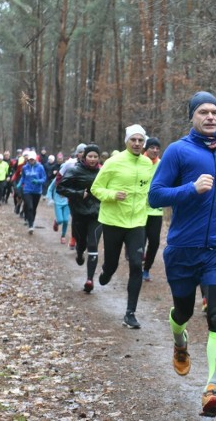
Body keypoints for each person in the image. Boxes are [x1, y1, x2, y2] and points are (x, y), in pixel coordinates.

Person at [148, 91, 216, 417]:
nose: (210, 117)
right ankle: (180, 340)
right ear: (192, 116)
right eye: (203, 112)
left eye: (215, 112)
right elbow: (155, 196)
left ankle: (211, 388)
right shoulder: (178, 151)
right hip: (182, 249)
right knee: (183, 312)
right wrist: (191, 189)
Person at [90, 125, 153, 329]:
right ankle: (107, 272)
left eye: (140, 140)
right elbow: (96, 188)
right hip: (113, 220)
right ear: (126, 141)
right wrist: (112, 195)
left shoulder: (147, 164)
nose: (137, 144)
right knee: (112, 263)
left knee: (136, 264)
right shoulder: (113, 162)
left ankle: (130, 313)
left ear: (144, 143)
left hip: (137, 222)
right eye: (133, 140)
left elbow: (150, 189)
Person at [57, 144, 102, 293]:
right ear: (84, 157)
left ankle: (89, 280)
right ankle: (79, 252)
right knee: (81, 243)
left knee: (93, 244)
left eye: (95, 156)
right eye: (90, 156)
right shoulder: (74, 170)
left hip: (97, 214)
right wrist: (78, 193)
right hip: (79, 213)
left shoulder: (103, 172)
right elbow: (60, 188)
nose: (93, 159)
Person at [142, 137, 164, 282]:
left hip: (156, 209)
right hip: (140, 209)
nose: (155, 150)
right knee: (139, 241)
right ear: (146, 148)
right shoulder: (138, 162)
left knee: (154, 242)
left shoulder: (162, 164)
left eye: (157, 148)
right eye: (152, 147)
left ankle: (146, 269)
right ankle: (136, 266)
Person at [18, 151, 46, 234]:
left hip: (37, 191)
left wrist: (37, 181)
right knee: (29, 207)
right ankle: (30, 225)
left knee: (33, 208)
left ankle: (32, 221)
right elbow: (23, 177)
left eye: (33, 160)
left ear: (35, 160)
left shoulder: (40, 167)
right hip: (27, 190)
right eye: (30, 160)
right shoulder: (25, 168)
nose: (31, 161)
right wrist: (20, 183)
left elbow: (44, 178)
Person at [46, 169, 71, 245]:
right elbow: (50, 189)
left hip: (67, 202)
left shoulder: (71, 179)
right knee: (60, 220)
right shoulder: (56, 179)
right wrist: (50, 199)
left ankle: (63, 236)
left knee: (66, 220)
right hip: (57, 202)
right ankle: (56, 222)